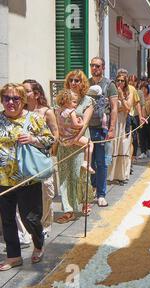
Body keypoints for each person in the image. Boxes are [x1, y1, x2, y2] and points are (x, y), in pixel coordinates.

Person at [0, 83, 55, 271]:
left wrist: (33, 139)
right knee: (7, 219)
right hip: (3, 179)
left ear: (23, 101)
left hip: (27, 178)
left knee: (30, 218)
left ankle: (38, 244)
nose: (11, 102)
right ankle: (14, 255)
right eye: (6, 98)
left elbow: (50, 140)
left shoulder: (34, 119)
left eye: (15, 98)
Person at [56, 70, 95, 223]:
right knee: (65, 177)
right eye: (71, 80)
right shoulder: (62, 98)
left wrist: (75, 139)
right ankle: (68, 210)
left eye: (77, 80)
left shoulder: (88, 101)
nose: (73, 83)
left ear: (82, 83)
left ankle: (85, 201)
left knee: (79, 175)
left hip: (79, 141)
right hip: (64, 142)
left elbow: (84, 124)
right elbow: (56, 118)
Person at [23, 79, 58, 239]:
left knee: (46, 194)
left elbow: (55, 134)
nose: (22, 94)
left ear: (36, 94)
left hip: (42, 159)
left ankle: (45, 224)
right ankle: (28, 227)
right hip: (24, 160)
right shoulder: (19, 111)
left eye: (26, 91)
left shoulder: (46, 112)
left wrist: (50, 153)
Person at [88, 57, 118, 207]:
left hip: (102, 129)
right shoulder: (86, 83)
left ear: (103, 67)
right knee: (89, 161)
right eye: (92, 65)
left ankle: (101, 194)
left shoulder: (109, 85)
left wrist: (112, 129)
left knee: (101, 162)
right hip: (87, 129)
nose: (94, 68)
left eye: (97, 66)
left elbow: (114, 108)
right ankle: (92, 188)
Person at [55, 89, 95, 174]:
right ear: (67, 101)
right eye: (74, 102)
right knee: (89, 144)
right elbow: (76, 125)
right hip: (71, 137)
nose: (76, 105)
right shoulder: (71, 111)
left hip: (63, 139)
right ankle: (86, 163)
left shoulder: (58, 110)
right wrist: (81, 122)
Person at [108, 74, 132, 185]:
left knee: (122, 148)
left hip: (122, 124)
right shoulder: (111, 92)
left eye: (122, 81)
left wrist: (121, 96)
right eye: (118, 80)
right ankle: (110, 175)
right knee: (112, 148)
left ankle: (121, 175)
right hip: (113, 123)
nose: (120, 82)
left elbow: (127, 108)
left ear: (125, 82)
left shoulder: (128, 93)